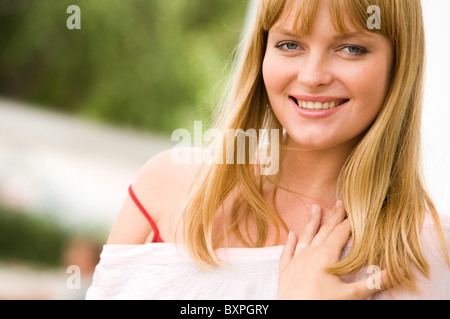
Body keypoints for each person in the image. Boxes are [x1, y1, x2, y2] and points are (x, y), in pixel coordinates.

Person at [86, 0, 450, 300]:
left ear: (398, 65)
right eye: (289, 44)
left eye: (351, 48)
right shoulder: (165, 185)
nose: (312, 76)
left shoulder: (427, 250)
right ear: (261, 54)